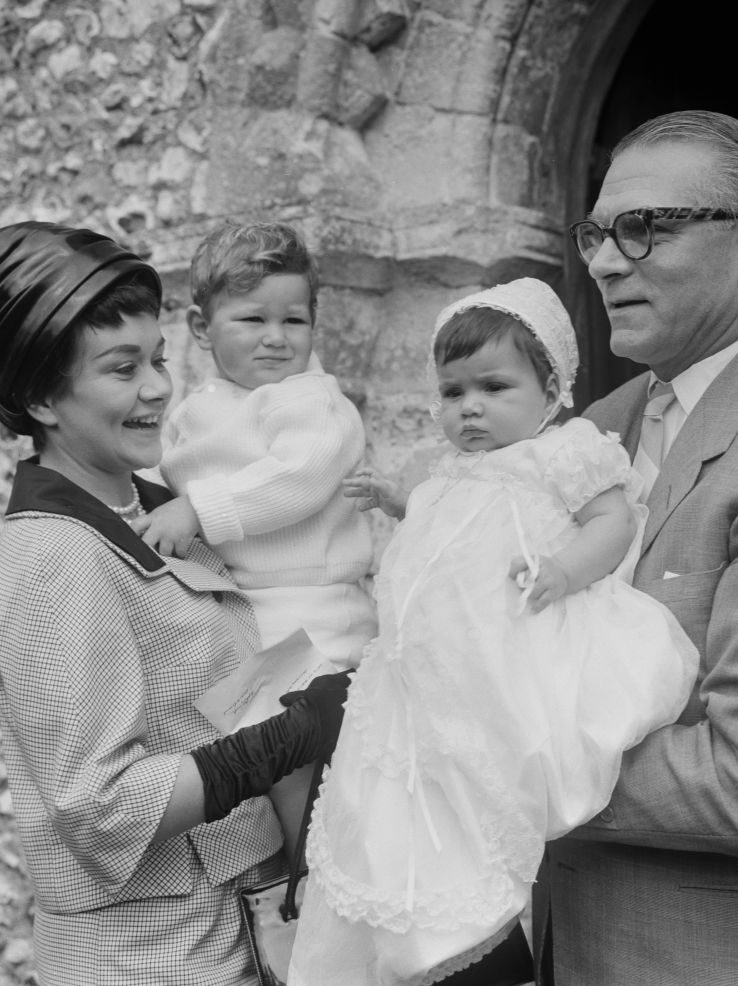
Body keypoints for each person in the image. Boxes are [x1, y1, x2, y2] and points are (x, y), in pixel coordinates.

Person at [286, 278, 698, 986]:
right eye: (453, 393)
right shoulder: (454, 471)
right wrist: (397, 498)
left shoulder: (563, 451)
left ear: (550, 387)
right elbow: (440, 519)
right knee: (401, 798)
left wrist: (566, 570)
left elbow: (613, 520)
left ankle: (472, 932)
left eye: (494, 387)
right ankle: (421, 923)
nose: (469, 408)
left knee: (485, 779)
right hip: (427, 673)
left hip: (510, 649)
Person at [0, 220, 352, 986]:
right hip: (153, 958)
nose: (158, 388)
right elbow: (96, 806)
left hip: (239, 931)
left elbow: (208, 691)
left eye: (158, 359)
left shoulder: (167, 509)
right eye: (122, 369)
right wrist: (292, 736)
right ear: (39, 398)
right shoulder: (48, 553)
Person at [533, 109, 738, 985]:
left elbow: (733, 776)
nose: (608, 261)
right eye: (597, 234)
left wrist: (505, 764)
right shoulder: (592, 430)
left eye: (645, 228)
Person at [132, 219, 377, 862]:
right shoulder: (198, 410)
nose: (276, 338)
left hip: (313, 608)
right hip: (248, 614)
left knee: (304, 764)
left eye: (294, 321)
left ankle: (322, 882)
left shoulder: (309, 402)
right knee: (258, 763)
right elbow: (168, 480)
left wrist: (199, 511)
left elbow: (299, 478)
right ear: (200, 327)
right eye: (252, 320)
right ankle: (301, 881)